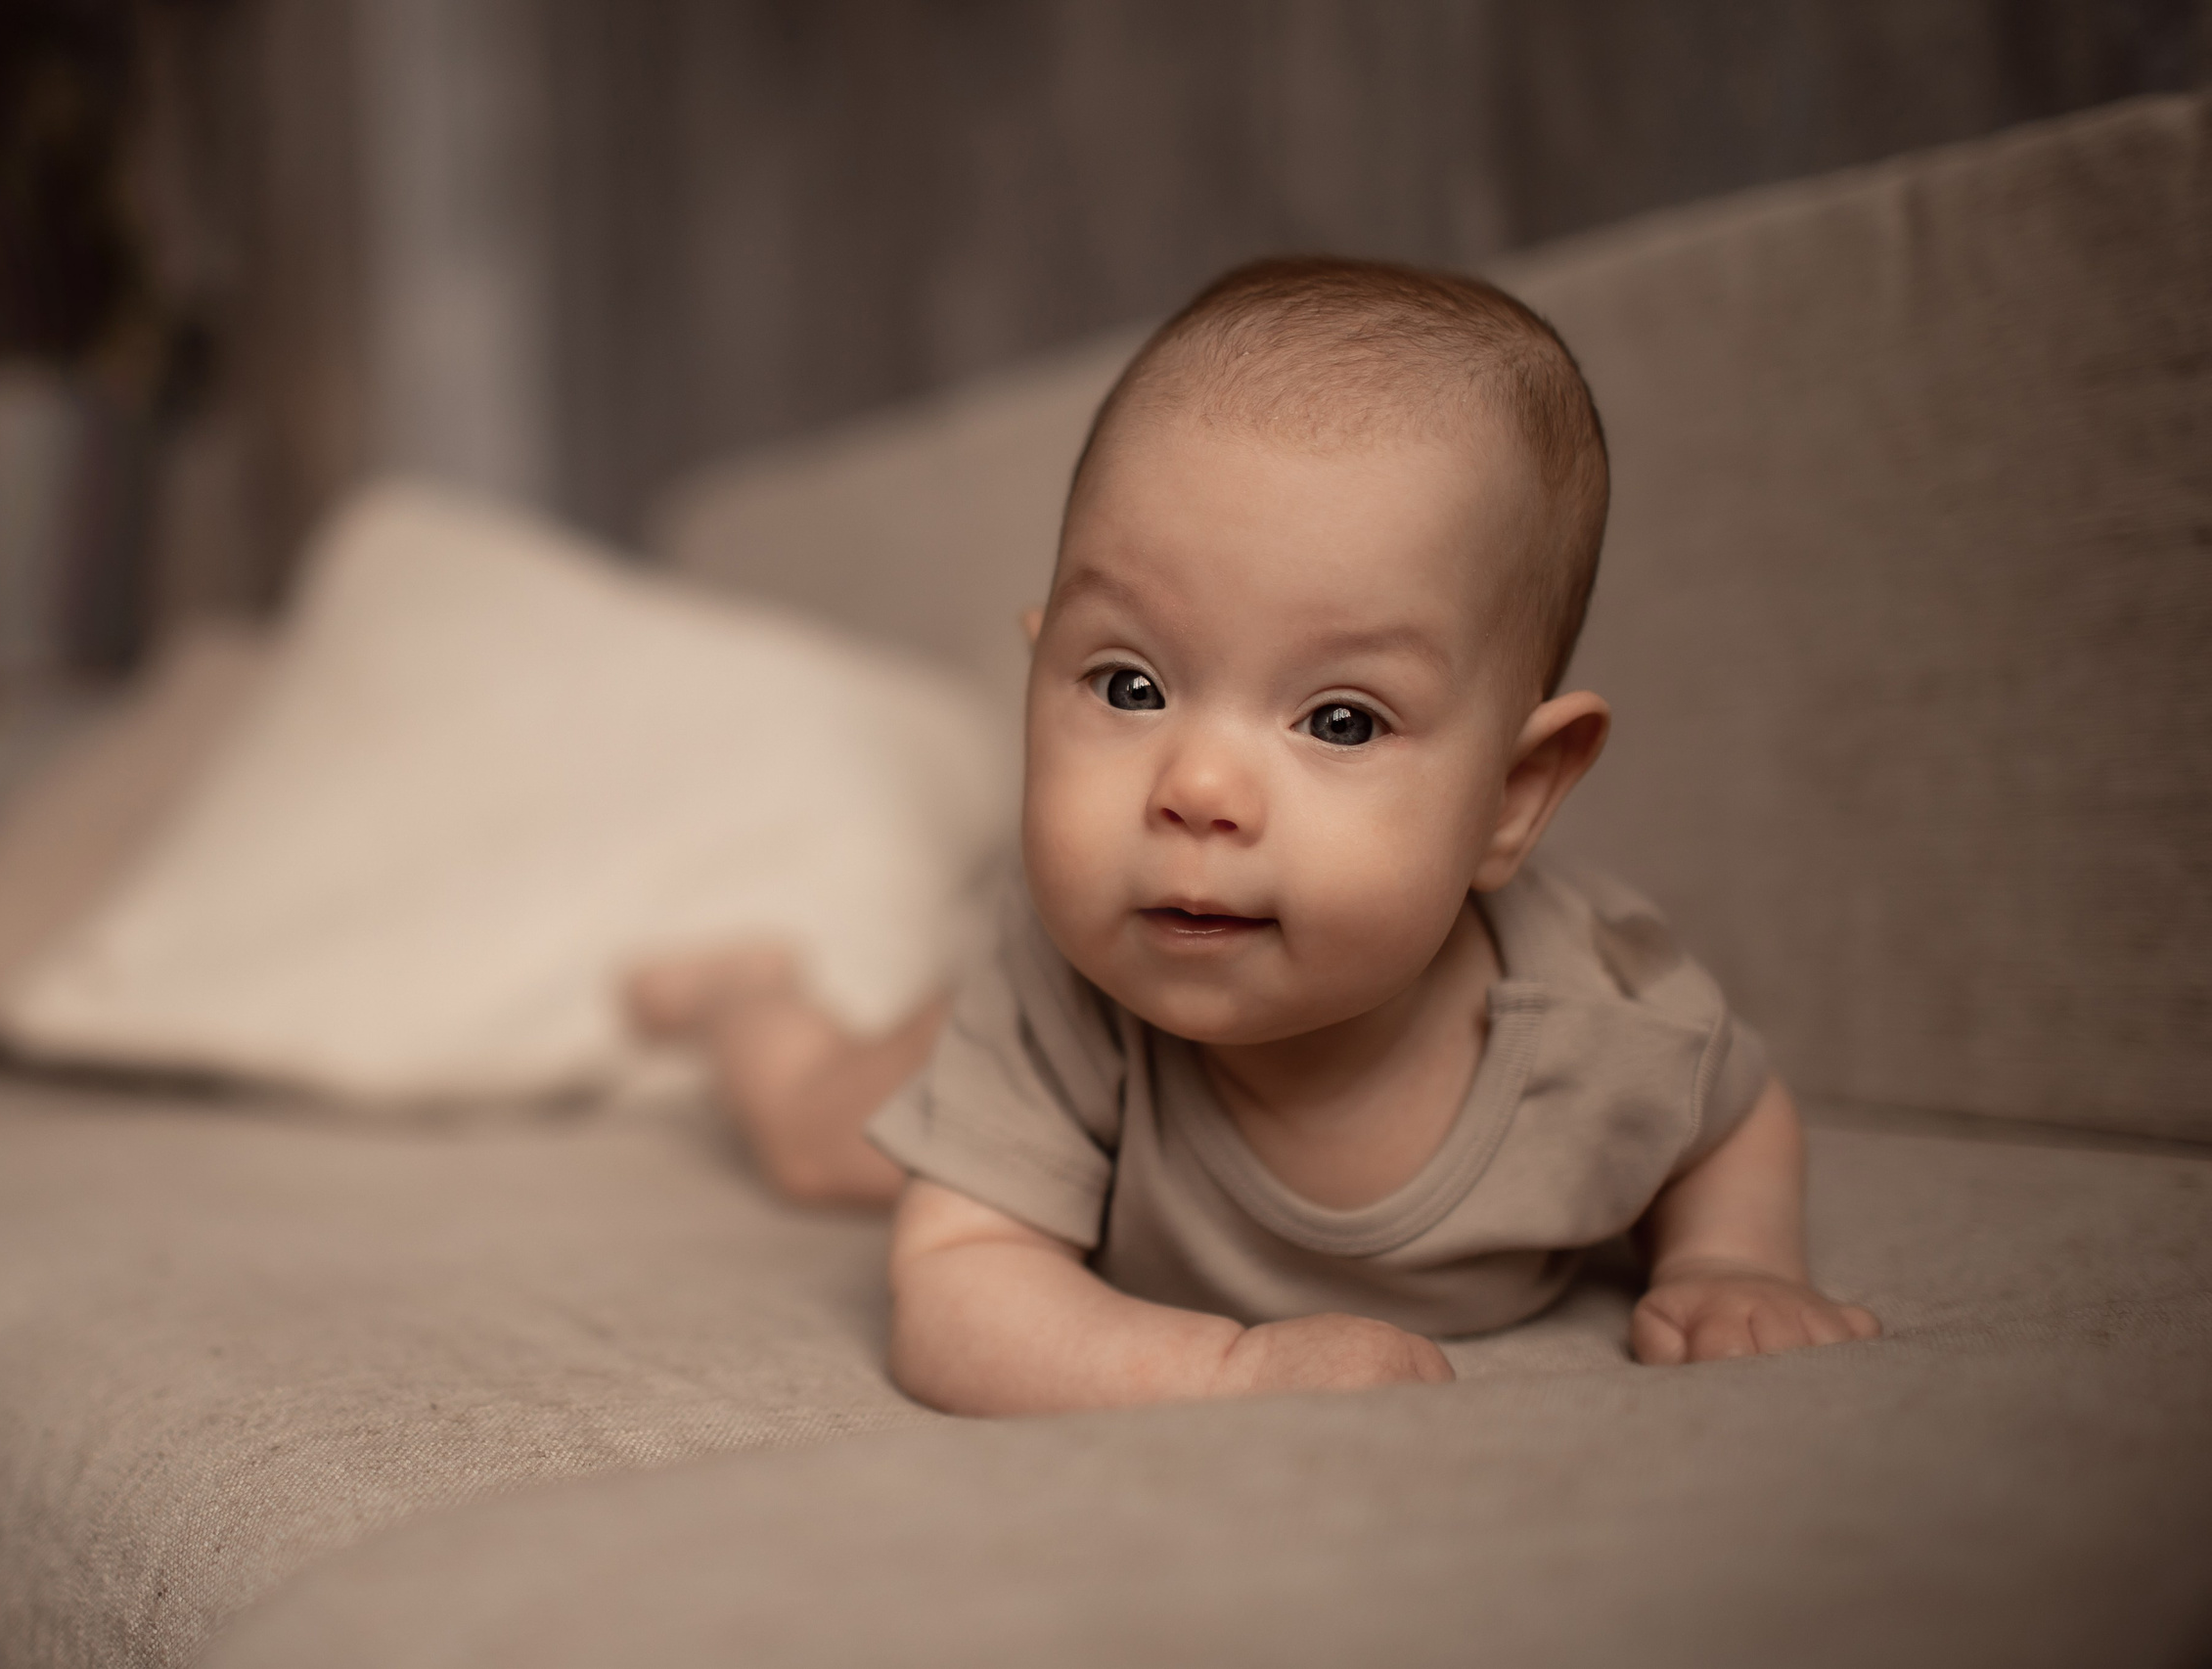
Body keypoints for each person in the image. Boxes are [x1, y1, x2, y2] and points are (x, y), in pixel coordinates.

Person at [629, 256, 1880, 1416]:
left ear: (1512, 796)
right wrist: (1226, 1370)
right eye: (1127, 688)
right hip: (998, 1018)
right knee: (815, 1131)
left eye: (1339, 717)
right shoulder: (1060, 994)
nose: (1197, 786)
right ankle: (750, 993)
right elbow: (957, 1292)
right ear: (1035, 682)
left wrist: (1731, 1255)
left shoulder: (1606, 1021)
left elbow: (1731, 1114)